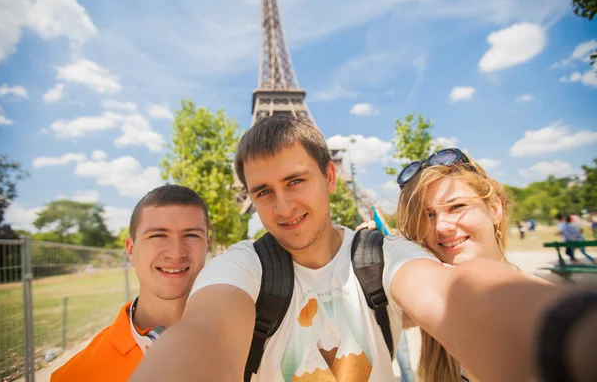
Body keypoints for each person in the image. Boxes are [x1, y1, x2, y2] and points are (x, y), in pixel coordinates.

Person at [131, 116, 566, 382]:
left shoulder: (382, 255)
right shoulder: (243, 268)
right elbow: (203, 334)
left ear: (330, 177)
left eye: (296, 181)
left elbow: (451, 294)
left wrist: (567, 329)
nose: (283, 207)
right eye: (263, 192)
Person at [51, 185, 210, 381]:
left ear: (207, 246)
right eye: (158, 235)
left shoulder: (247, 341)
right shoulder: (74, 375)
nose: (176, 253)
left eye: (191, 235)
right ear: (131, 250)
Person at [393, 150, 514, 382]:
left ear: (494, 209)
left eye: (456, 206)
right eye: (427, 215)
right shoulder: (438, 303)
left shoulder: (535, 308)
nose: (442, 227)